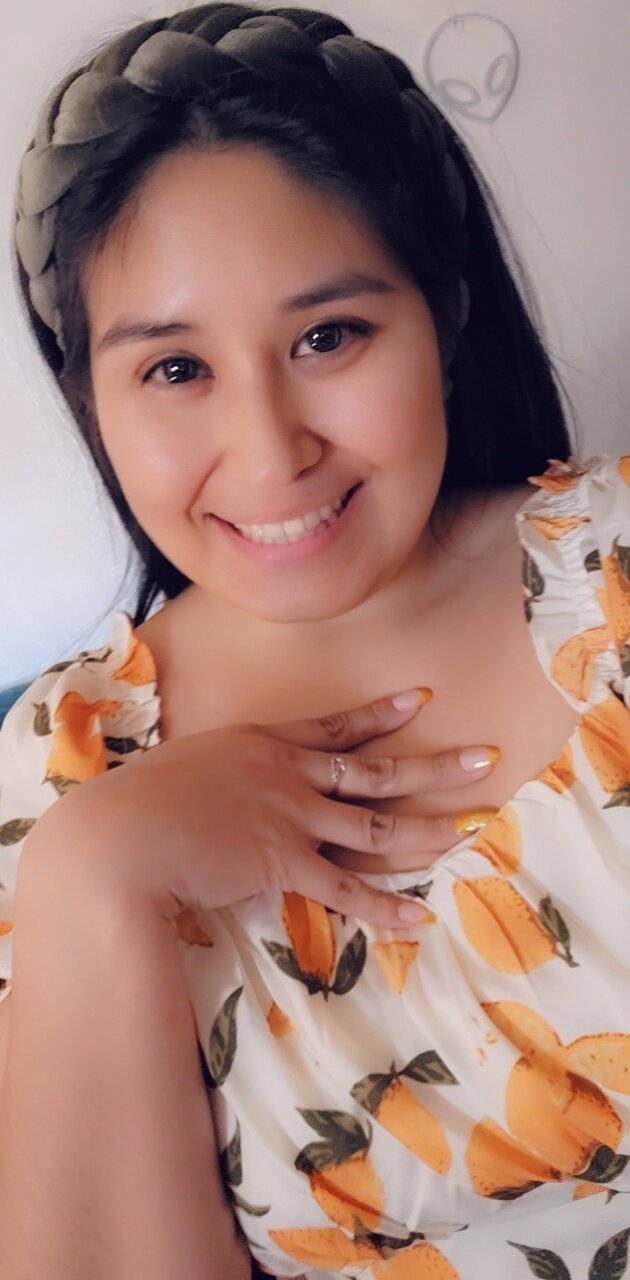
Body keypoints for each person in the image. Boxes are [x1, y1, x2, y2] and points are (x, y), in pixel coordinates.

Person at [0, 3, 629, 1276]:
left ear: (446, 316)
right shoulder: (63, 769)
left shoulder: (613, 573)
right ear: (92, 399)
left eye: (327, 337)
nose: (271, 451)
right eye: (176, 370)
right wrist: (94, 874)